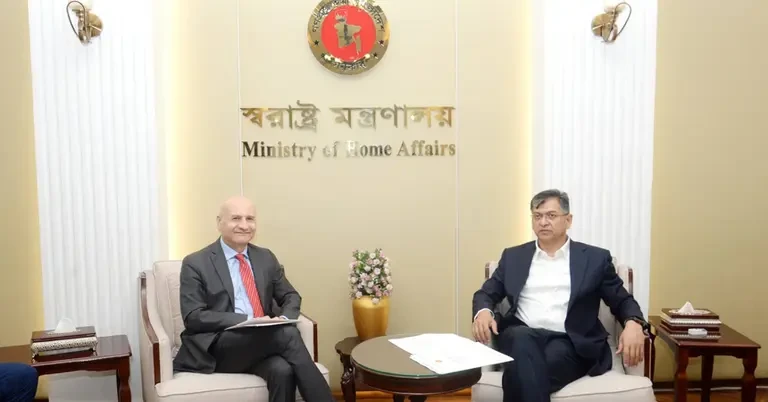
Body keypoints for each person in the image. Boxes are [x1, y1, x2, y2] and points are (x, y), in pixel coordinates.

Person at [472, 189, 649, 402]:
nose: (543, 222)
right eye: (537, 216)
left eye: (551, 215)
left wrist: (633, 323)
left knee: (524, 371)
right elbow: (486, 293)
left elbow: (622, 300)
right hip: (520, 334)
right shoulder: (513, 257)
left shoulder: (595, 259)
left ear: (568, 220)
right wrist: (484, 311)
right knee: (521, 339)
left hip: (570, 342)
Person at [173, 196, 333, 402]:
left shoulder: (265, 257)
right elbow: (193, 317)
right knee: (287, 334)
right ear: (219, 223)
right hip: (218, 346)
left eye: (250, 219)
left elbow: (290, 296)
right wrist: (248, 320)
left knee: (282, 370)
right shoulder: (195, 263)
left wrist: (284, 318)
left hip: (261, 343)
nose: (244, 225)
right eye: (236, 218)